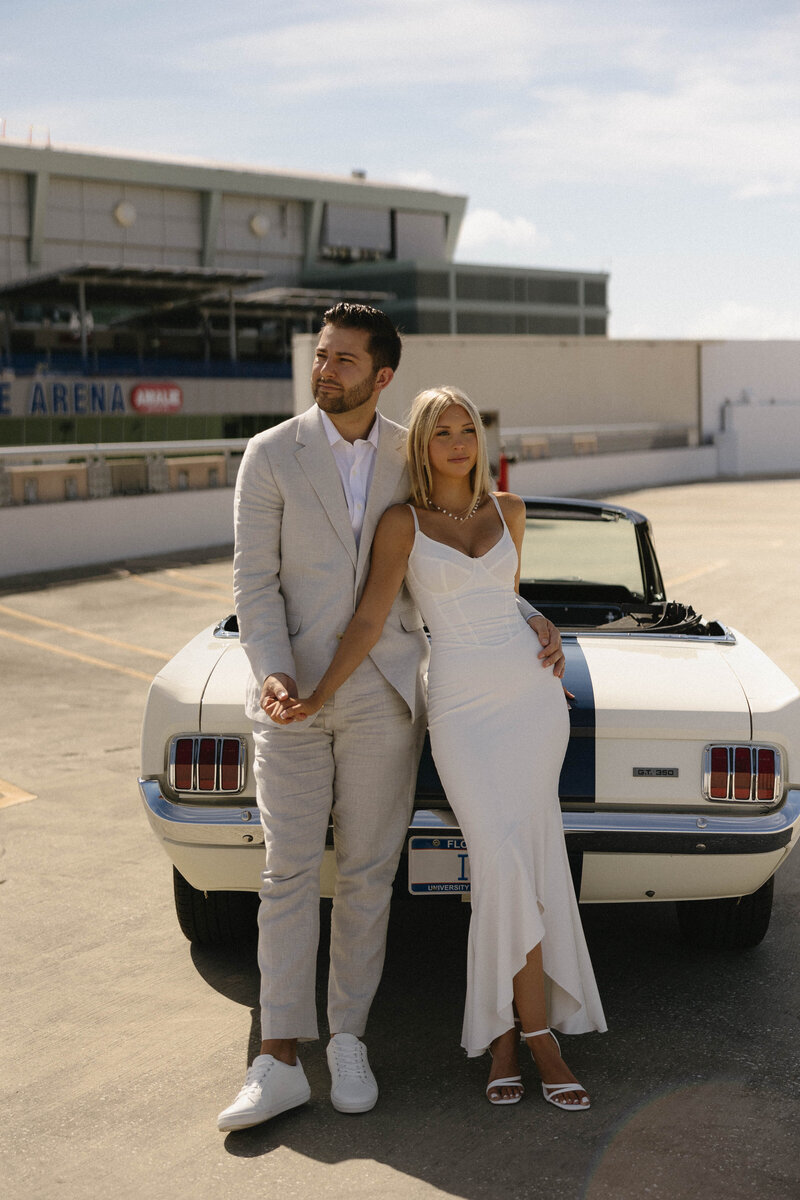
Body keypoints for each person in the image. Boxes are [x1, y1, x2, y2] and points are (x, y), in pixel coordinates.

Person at [219, 310, 564, 1132]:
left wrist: (534, 617)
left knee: (370, 876)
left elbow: (469, 554)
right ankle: (278, 1056)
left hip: (388, 696)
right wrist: (272, 673)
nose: (325, 367)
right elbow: (252, 583)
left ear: (381, 376)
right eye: (321, 354)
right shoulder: (268, 455)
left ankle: (347, 1040)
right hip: (293, 693)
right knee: (288, 872)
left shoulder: (422, 447)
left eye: (343, 358)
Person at [280, 384, 606, 1112]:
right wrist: (319, 692)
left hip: (529, 701)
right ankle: (534, 1034)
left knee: (523, 861)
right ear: (421, 447)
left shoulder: (510, 511)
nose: (457, 442)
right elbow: (369, 620)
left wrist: (540, 617)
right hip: (459, 704)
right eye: (440, 432)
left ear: (480, 442)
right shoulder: (403, 522)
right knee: (498, 859)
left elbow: (505, 597)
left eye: (466, 430)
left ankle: (513, 1038)